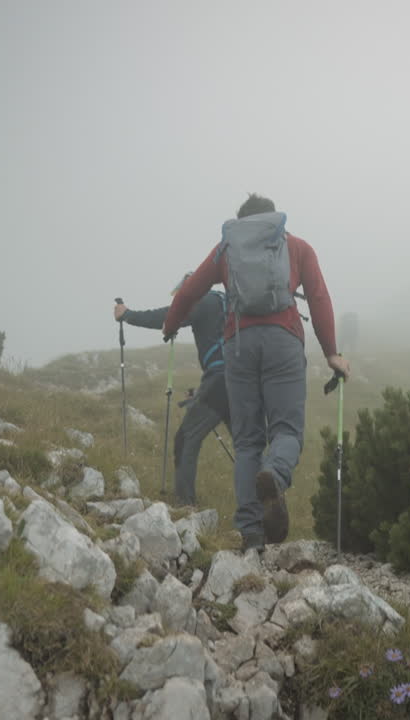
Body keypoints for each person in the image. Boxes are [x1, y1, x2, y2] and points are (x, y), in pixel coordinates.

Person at [163, 193, 350, 552]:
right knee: (286, 430)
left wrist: (171, 325)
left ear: (242, 221)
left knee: (248, 441)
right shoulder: (297, 247)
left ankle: (251, 534)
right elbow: (319, 298)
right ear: (273, 219)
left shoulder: (227, 249)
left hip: (239, 345)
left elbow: (189, 292)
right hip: (284, 341)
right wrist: (332, 354)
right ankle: (275, 475)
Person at [113, 275, 230, 506]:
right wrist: (201, 394)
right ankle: (264, 510)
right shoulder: (224, 301)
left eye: (181, 297)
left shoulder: (201, 300)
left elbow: (168, 316)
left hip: (220, 380)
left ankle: (185, 507)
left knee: (185, 440)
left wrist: (128, 315)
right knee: (248, 447)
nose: (180, 301)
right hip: (243, 381)